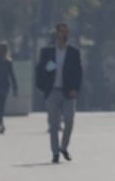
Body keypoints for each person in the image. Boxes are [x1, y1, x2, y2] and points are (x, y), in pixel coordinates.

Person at [35, 22, 82, 164]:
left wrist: (75, 89)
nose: (64, 34)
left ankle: (64, 147)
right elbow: (40, 71)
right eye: (62, 31)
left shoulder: (73, 52)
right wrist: (45, 84)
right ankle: (55, 153)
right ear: (56, 34)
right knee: (54, 125)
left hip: (68, 93)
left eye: (66, 32)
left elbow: (78, 73)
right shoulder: (47, 52)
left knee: (69, 120)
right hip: (52, 92)